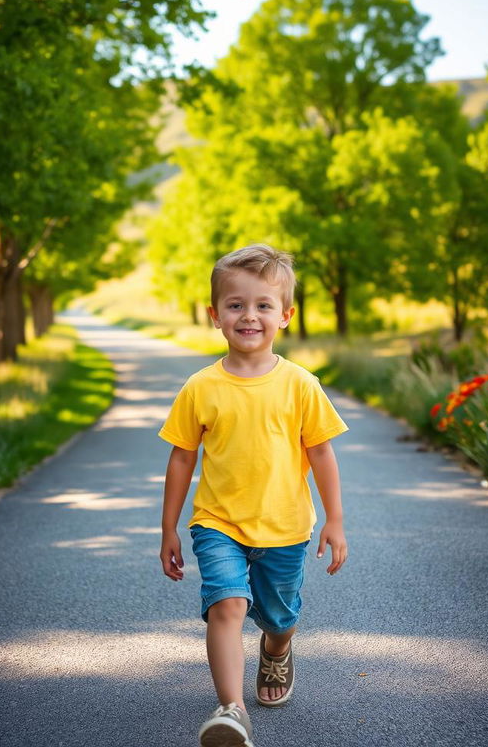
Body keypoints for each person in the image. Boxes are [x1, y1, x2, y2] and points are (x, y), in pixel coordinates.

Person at [158, 244, 348, 747]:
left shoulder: (301, 385)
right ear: (215, 315)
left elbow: (323, 455)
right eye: (236, 304)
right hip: (217, 521)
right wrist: (168, 529)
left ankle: (278, 648)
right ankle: (232, 708)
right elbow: (181, 459)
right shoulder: (200, 387)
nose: (249, 315)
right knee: (227, 604)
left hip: (285, 526)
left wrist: (335, 520)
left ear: (285, 315)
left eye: (263, 305)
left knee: (280, 616)